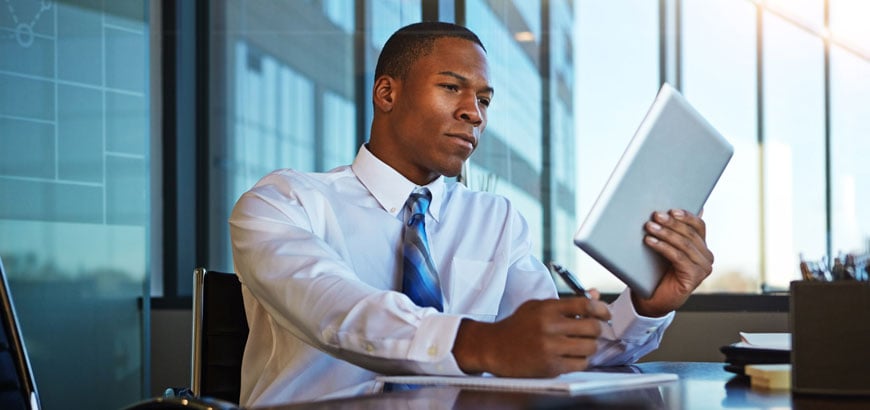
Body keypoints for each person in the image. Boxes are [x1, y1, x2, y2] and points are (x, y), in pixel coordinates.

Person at [229, 21, 714, 406]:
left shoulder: (497, 219)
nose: (474, 113)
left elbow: (555, 348)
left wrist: (649, 302)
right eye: (451, 88)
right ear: (387, 94)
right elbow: (340, 310)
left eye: (483, 100)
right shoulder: (283, 203)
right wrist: (483, 343)